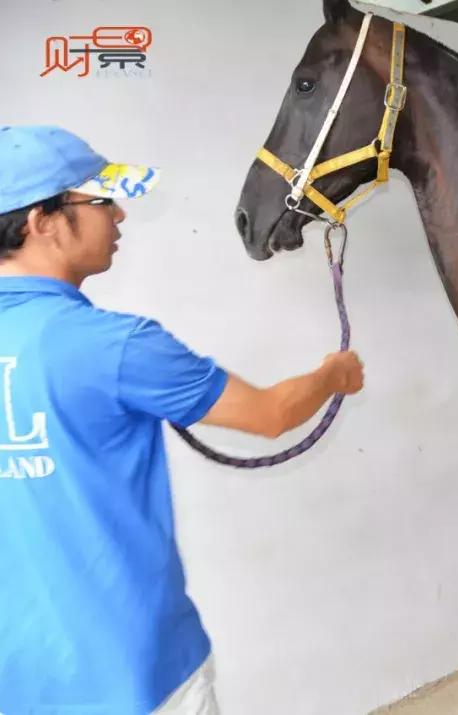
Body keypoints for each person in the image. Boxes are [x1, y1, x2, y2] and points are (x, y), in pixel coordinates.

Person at [0, 125, 364, 714]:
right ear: (42, 221)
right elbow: (271, 415)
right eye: (99, 200)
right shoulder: (115, 347)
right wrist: (334, 375)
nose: (118, 214)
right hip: (140, 678)